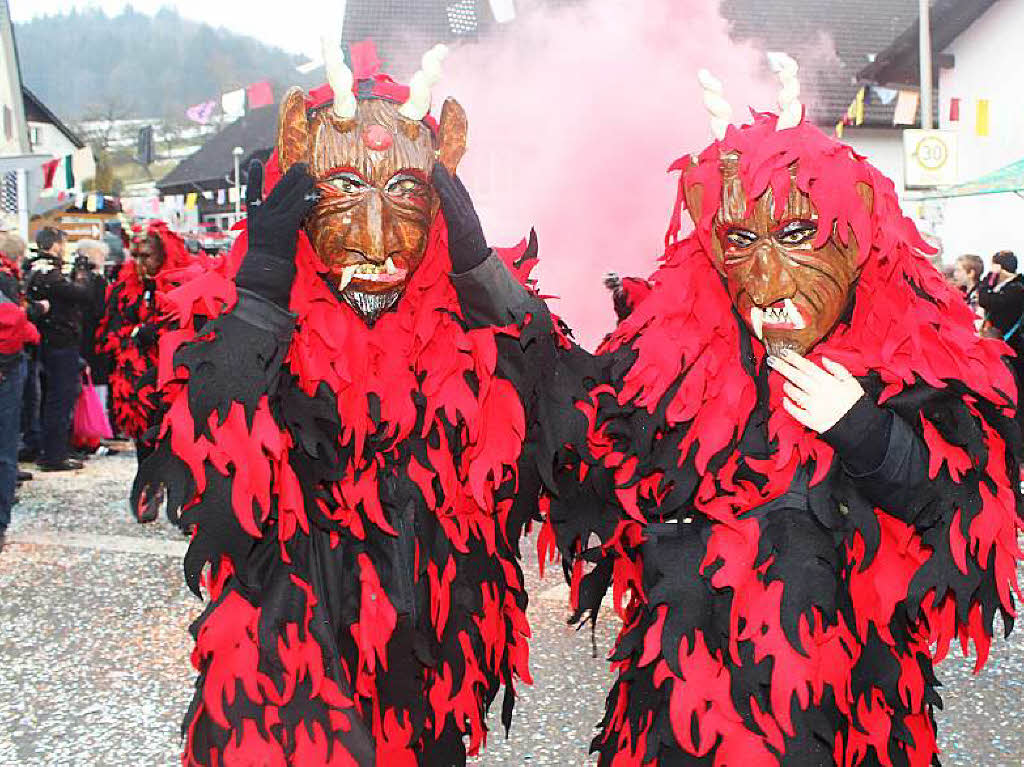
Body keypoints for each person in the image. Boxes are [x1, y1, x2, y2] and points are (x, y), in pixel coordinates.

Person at [438, 56, 1023, 765]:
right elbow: (567, 417)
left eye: (798, 235)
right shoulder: (667, 366)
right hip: (680, 731)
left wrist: (866, 432)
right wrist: (474, 264)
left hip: (848, 733)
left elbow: (968, 533)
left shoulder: (914, 364)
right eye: (742, 240)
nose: (767, 275)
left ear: (859, 233)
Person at [134, 41, 543, 764]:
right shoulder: (251, 319)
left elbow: (567, 405)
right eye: (346, 193)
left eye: (406, 199)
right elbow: (209, 487)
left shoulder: (459, 324)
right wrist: (259, 295)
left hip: (424, 680)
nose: (377, 240)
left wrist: (482, 273)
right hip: (294, 675)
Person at [97, 222, 194, 516]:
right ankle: (148, 492)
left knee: (180, 440)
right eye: (135, 256)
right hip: (138, 379)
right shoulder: (122, 291)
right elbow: (110, 334)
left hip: (175, 378)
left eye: (146, 256)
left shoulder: (182, 286)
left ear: (162, 255)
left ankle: (181, 500)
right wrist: (136, 334)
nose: (139, 264)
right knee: (144, 439)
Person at [26, 227, 93, 471]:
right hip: (60, 341)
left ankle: (52, 448)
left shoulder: (33, 268)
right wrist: (83, 273)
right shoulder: (48, 272)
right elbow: (81, 294)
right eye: (63, 244)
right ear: (55, 245)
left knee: (50, 398)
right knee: (60, 398)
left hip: (47, 341)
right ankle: (54, 454)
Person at [952, 252, 984, 323]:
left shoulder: (980, 294)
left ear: (971, 273)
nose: (955, 274)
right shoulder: (959, 291)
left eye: (958, 270)